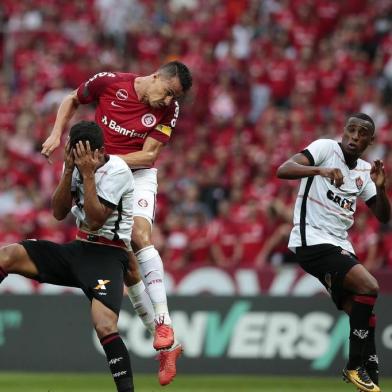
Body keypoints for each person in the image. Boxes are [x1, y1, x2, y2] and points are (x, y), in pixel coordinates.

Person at [41, 61, 192, 385]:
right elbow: (72, 98)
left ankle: (163, 322)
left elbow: (149, 156)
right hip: (99, 170)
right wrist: (56, 134)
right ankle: (169, 348)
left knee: (139, 236)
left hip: (135, 175)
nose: (167, 102)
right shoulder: (110, 83)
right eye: (167, 93)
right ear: (155, 78)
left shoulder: (169, 111)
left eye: (173, 98)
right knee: (125, 261)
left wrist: (99, 161)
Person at [0, 121, 135, 392]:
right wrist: (70, 169)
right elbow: (59, 212)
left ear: (101, 151)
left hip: (109, 253)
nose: (83, 159)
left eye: (87, 155)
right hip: (79, 247)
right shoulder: (73, 163)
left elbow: (97, 220)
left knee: (104, 324)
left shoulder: (118, 171)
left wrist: (86, 174)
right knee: (7, 256)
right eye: (75, 153)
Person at [277, 113, 390, 392]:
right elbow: (284, 169)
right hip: (311, 240)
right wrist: (320, 170)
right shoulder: (325, 149)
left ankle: (369, 370)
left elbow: (384, 217)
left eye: (362, 133)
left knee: (361, 308)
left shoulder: (365, 172)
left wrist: (382, 189)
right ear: (344, 131)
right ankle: (353, 366)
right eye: (351, 130)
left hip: (339, 244)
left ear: (370, 141)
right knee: (369, 285)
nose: (354, 137)